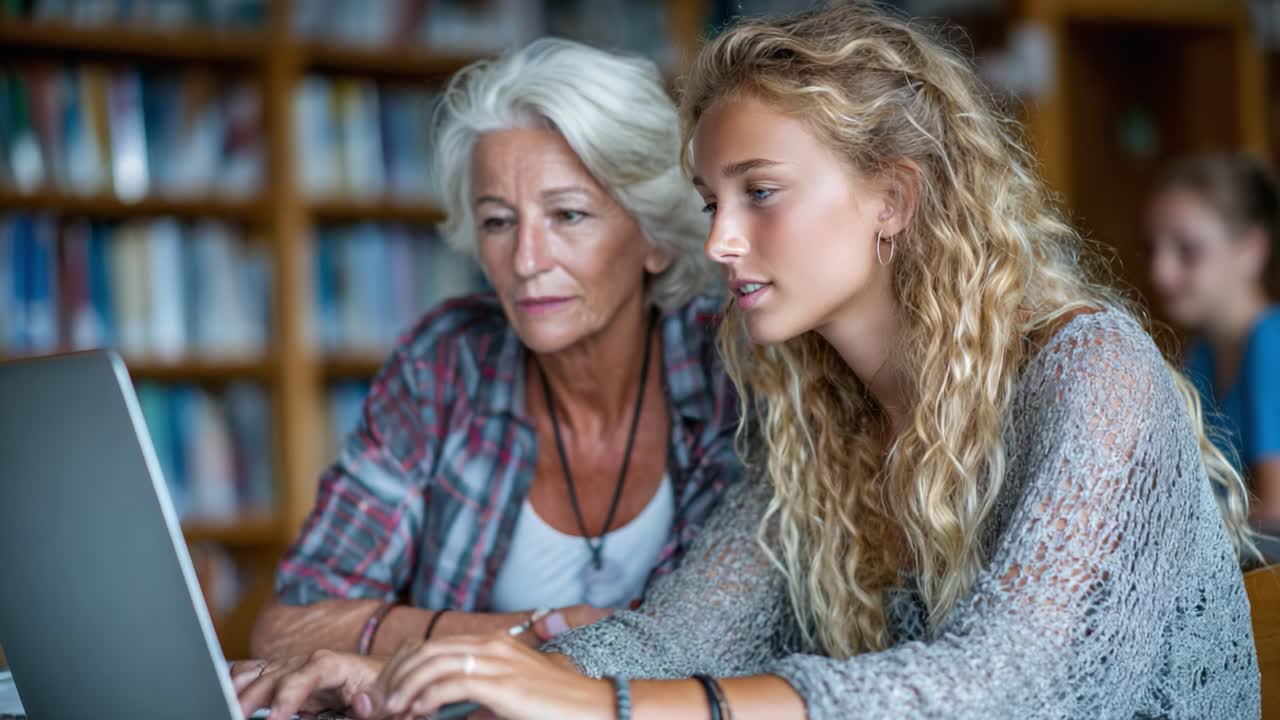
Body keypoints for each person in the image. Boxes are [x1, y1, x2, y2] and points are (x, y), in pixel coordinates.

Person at [234, 5, 1260, 719]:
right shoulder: (820, 419)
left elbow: (1002, 684)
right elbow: (666, 641)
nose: (716, 239)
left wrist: (597, 708)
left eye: (756, 192)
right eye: (709, 198)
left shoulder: (1091, 372)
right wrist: (430, 682)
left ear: (891, 199)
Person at [246, 37, 742, 662]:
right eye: (498, 222)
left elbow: (723, 651)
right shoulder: (447, 362)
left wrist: (421, 638)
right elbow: (289, 625)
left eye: (567, 215)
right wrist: (533, 630)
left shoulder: (732, 368)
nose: (526, 262)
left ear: (656, 238)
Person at [1147, 152, 1280, 527]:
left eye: (1187, 251)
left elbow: (1276, 512)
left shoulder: (1270, 342)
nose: (1160, 273)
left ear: (1251, 251)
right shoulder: (1200, 355)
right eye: (1152, 249)